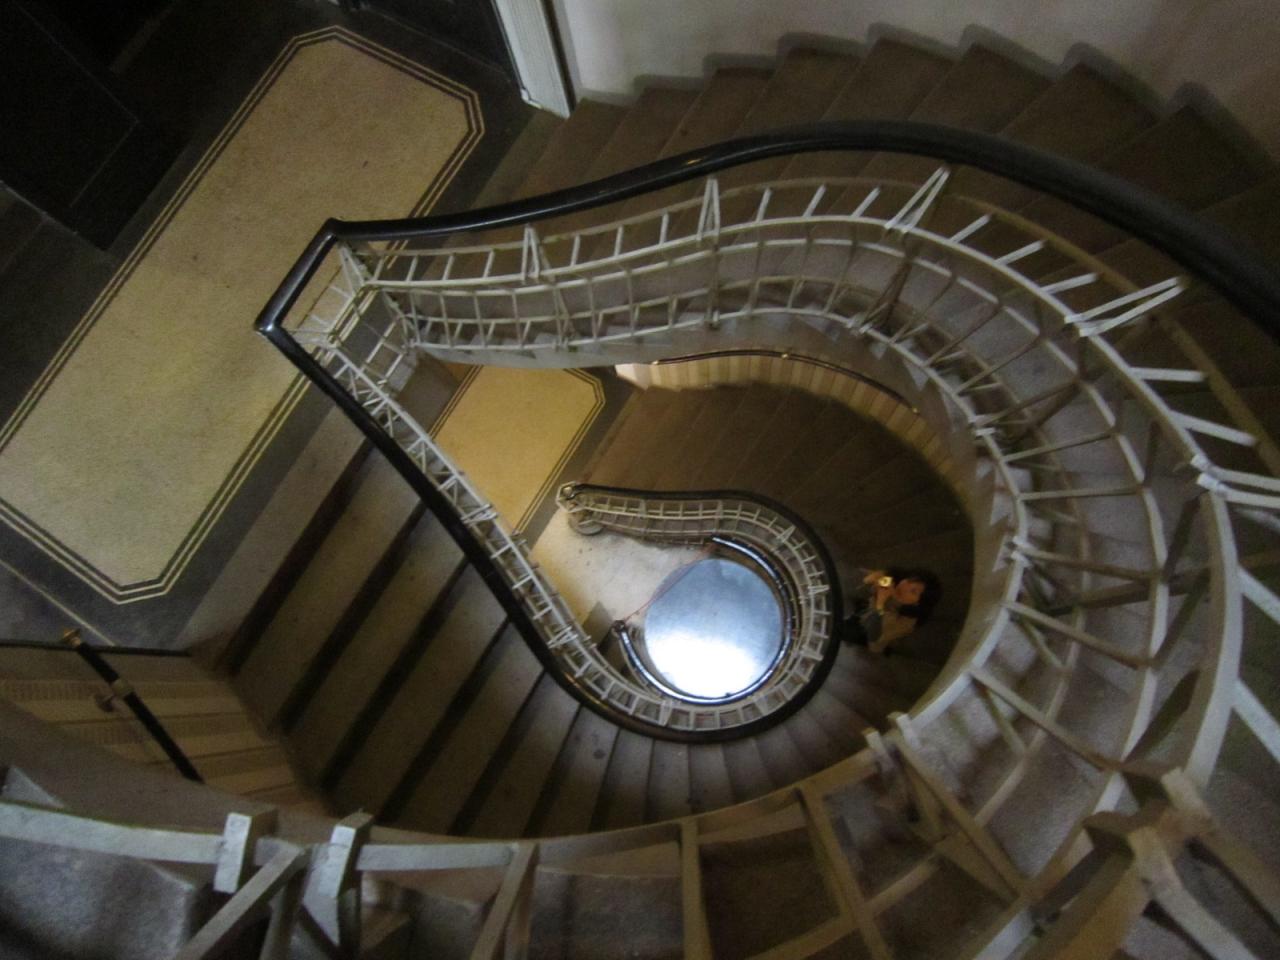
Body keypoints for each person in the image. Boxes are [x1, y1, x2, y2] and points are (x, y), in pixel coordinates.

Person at [842, 567, 939, 655]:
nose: (904, 587)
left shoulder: (907, 622)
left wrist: (880, 603)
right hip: (858, 617)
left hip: (866, 643)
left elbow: (873, 634)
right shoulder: (892, 585)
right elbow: (855, 581)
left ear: (917, 603)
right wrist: (871, 580)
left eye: (913, 591)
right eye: (908, 581)